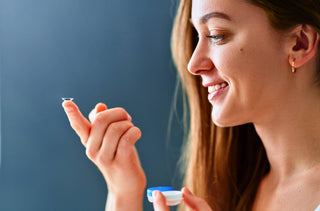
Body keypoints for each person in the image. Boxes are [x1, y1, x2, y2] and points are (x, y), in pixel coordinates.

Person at [62, 0, 320, 210]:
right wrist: (122, 191)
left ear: (300, 43)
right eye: (197, 36)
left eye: (217, 35)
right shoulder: (230, 190)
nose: (193, 64)